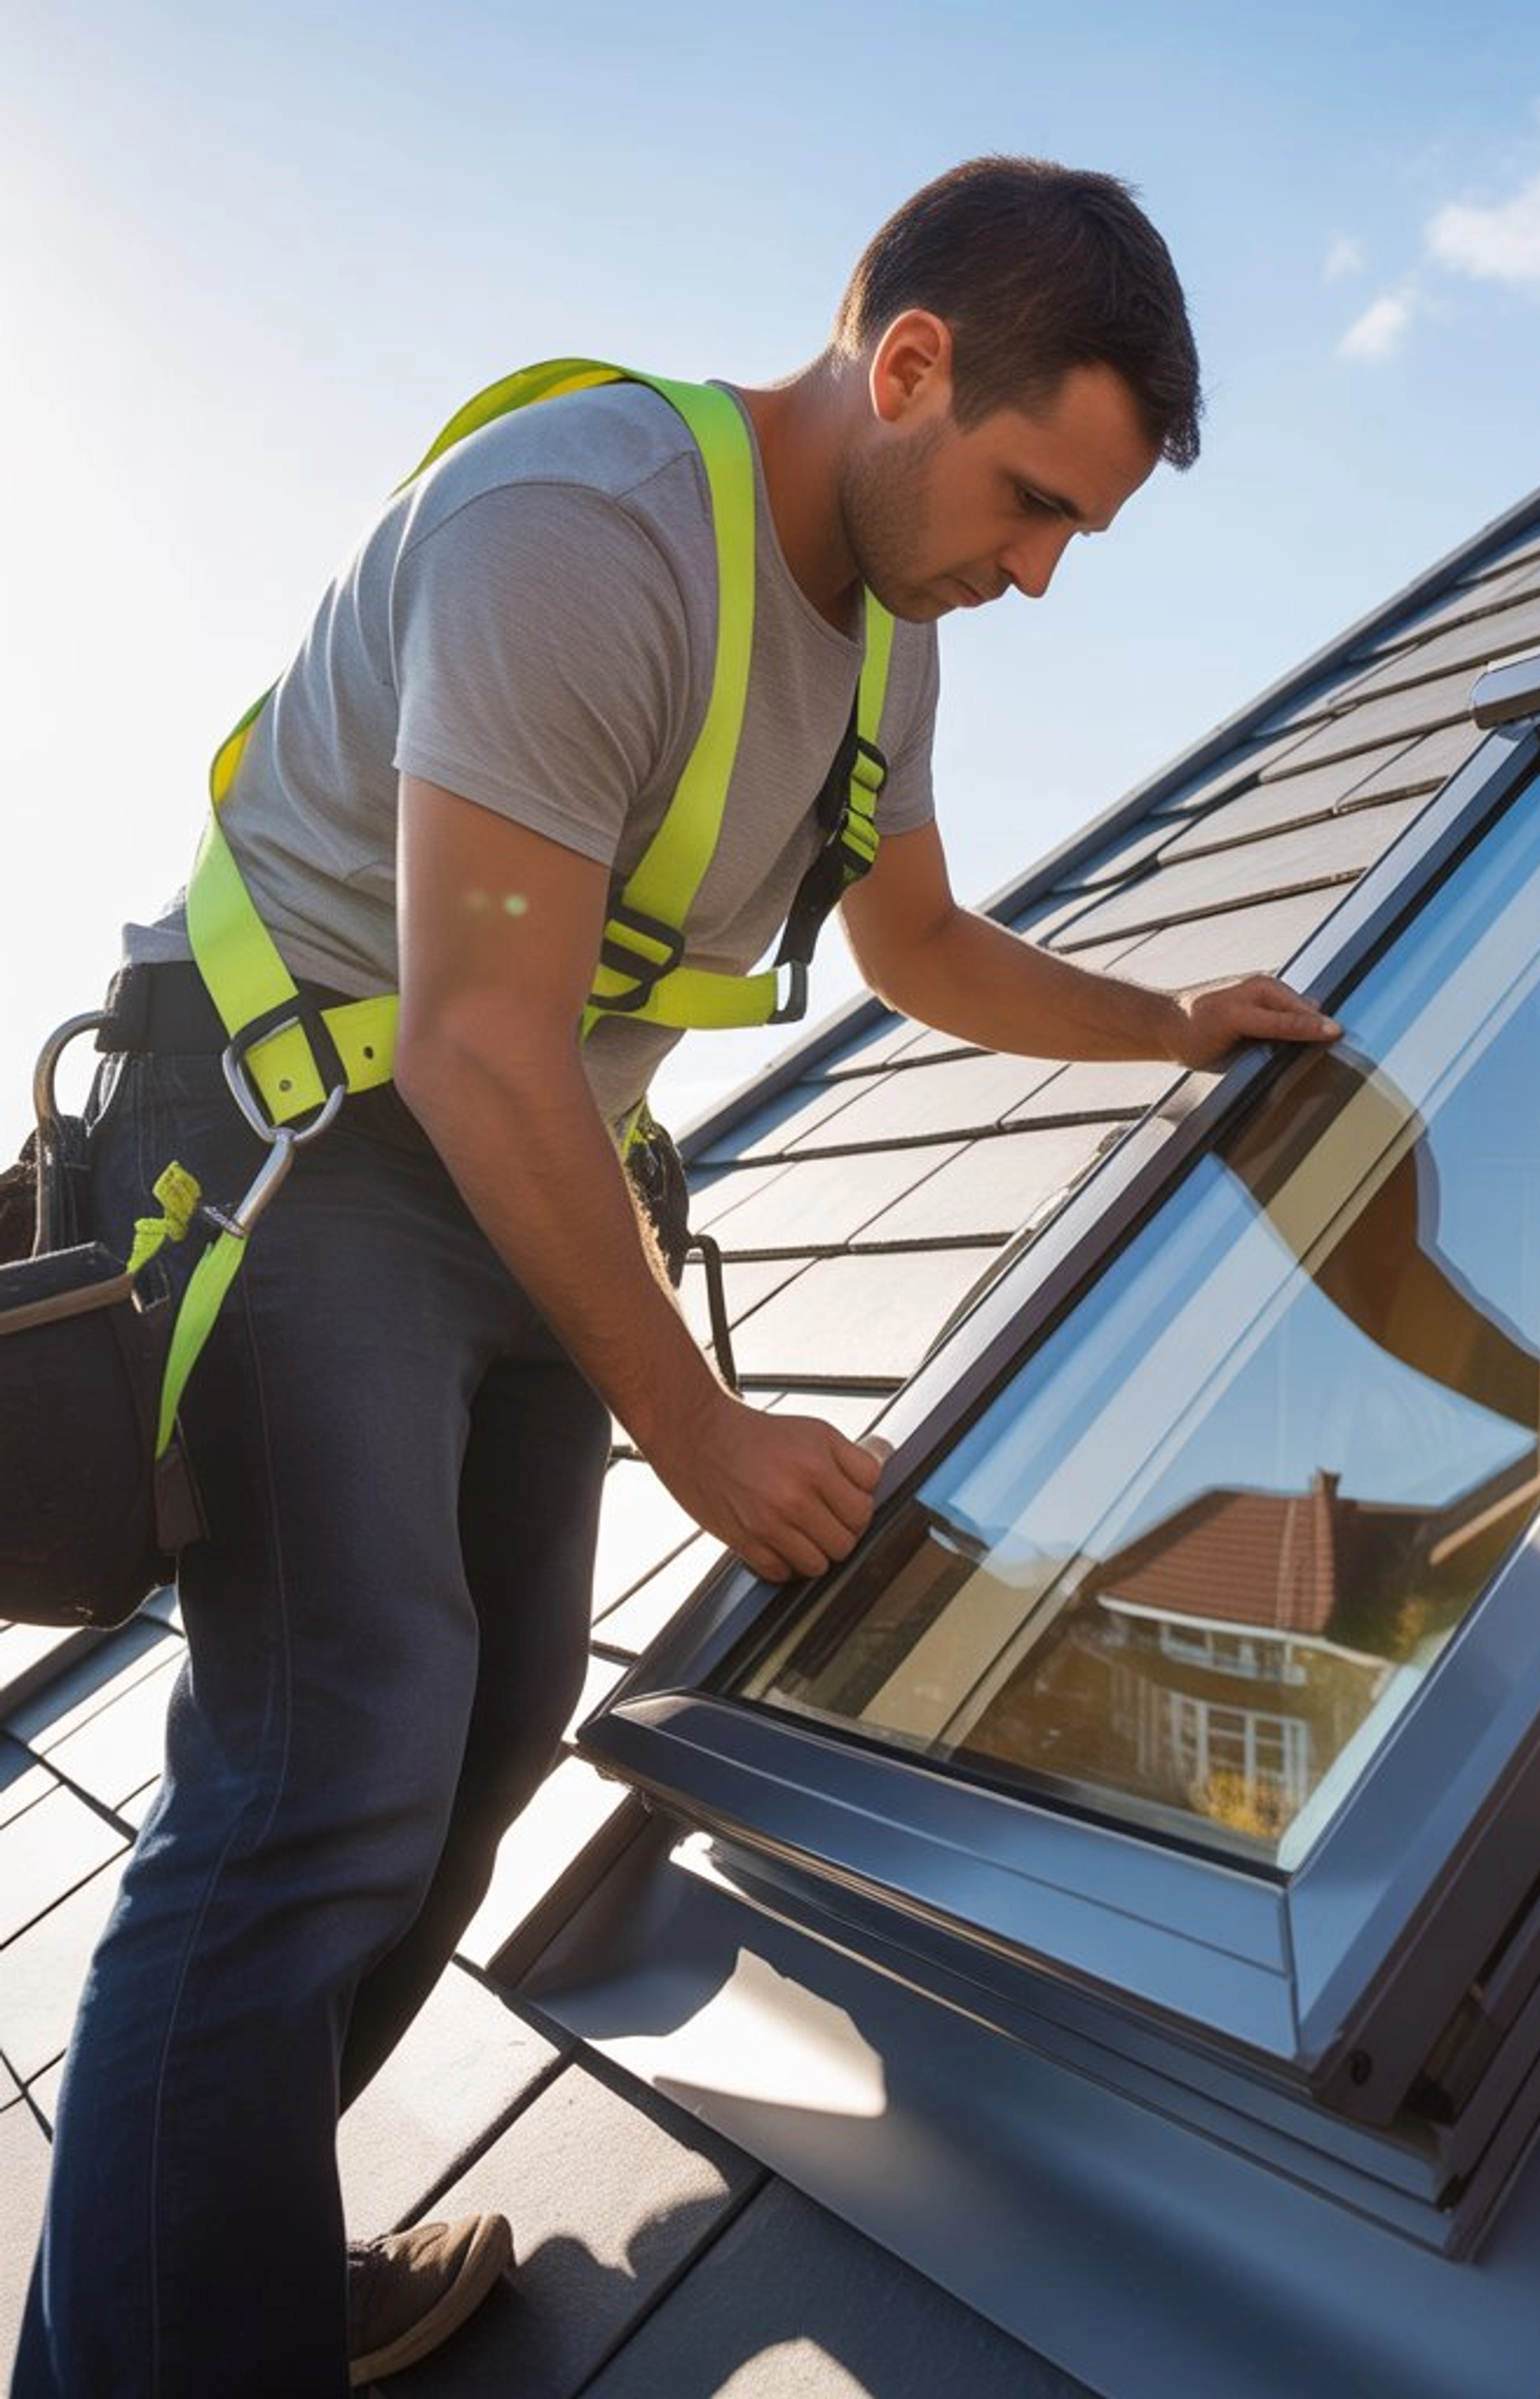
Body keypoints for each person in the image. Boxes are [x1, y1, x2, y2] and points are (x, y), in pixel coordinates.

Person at [11, 156, 1338, 2398]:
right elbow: (467, 1033)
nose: (1033, 573)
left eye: (1073, 540)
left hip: (516, 1161)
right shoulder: (591, 525)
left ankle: (201, 2267)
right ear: (905, 365)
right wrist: (699, 1428)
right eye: (1031, 502)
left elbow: (909, 944)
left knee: (494, 1717)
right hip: (296, 1141)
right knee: (332, 1756)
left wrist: (1169, 1021)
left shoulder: (885, 629)